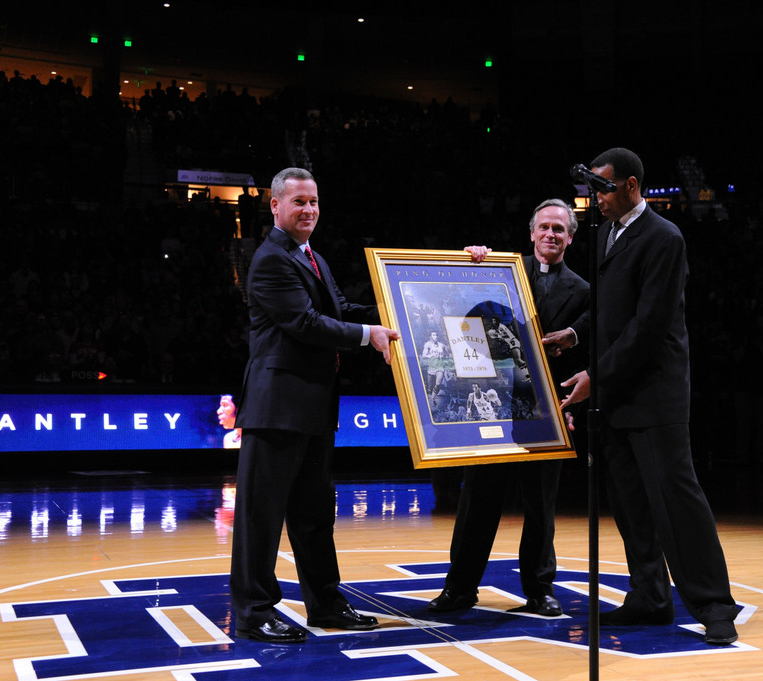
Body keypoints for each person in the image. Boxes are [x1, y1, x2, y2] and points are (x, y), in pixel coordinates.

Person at [560, 148, 739, 645]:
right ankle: (650, 597)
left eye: (603, 188)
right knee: (631, 506)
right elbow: (606, 309)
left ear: (631, 186)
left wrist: (596, 376)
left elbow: (649, 326)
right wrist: (574, 336)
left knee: (676, 501)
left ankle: (714, 604)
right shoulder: (604, 235)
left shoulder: (664, 237)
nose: (596, 198)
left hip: (654, 395)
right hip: (615, 395)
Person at [230, 167, 400, 644]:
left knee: (314, 513)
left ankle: (325, 602)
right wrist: (368, 336)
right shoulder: (270, 259)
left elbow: (341, 311)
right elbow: (305, 323)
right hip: (277, 408)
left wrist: (402, 310)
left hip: (313, 408)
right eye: (299, 201)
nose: (309, 210)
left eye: (314, 202)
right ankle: (254, 611)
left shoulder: (312, 256)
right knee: (261, 517)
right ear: (275, 205)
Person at [427, 199, 589, 617]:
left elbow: (581, 356)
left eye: (559, 229)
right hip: (493, 408)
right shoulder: (497, 272)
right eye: (544, 227)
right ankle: (459, 588)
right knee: (477, 501)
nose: (550, 234)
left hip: (546, 414)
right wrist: (471, 264)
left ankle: (540, 589)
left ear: (570, 238)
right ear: (531, 232)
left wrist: (569, 407)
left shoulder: (584, 292)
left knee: (541, 507)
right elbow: (459, 309)